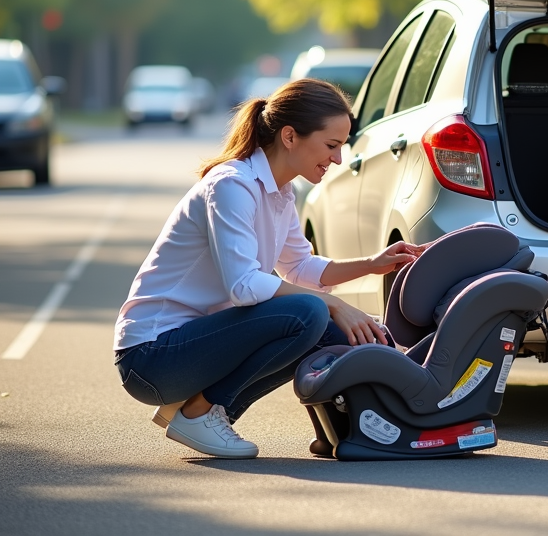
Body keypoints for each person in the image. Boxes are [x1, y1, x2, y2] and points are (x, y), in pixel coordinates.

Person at [113, 78, 425, 459]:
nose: (338, 159)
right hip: (153, 356)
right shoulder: (232, 185)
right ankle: (201, 413)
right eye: (331, 146)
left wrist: (372, 265)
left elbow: (299, 266)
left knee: (325, 326)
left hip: (193, 348)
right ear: (290, 136)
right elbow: (243, 286)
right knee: (310, 312)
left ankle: (339, 430)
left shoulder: (280, 192)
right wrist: (334, 304)